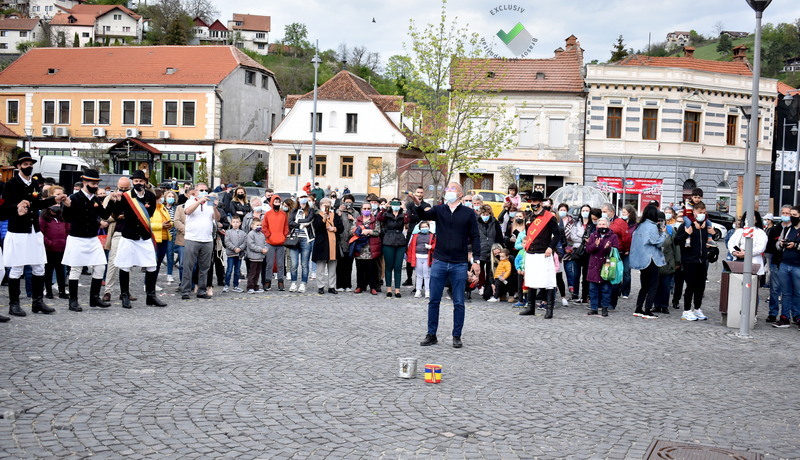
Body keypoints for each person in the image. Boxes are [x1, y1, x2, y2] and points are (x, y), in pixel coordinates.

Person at [411, 182, 481, 348]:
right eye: (448, 188)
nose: (449, 191)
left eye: (453, 189)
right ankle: (431, 334)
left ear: (460, 194)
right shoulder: (439, 209)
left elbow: (475, 237)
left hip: (459, 263)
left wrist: (476, 260)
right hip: (440, 261)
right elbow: (423, 215)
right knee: (434, 300)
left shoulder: (468, 213)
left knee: (459, 302)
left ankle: (456, 335)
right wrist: (418, 204)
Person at [3, 150, 67, 316]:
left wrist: (53, 200)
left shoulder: (34, 184)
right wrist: (16, 209)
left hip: (34, 230)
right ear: (18, 166)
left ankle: (37, 302)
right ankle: (14, 304)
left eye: (30, 164)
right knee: (17, 268)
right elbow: (4, 209)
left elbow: (37, 203)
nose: (29, 167)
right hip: (18, 231)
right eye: (25, 164)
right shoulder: (11, 184)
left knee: (39, 266)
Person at [106, 170, 166, 308]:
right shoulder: (126, 196)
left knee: (151, 265)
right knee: (125, 266)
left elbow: (149, 214)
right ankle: (125, 295)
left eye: (141, 181)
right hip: (129, 236)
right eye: (136, 181)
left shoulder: (150, 196)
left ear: (145, 182)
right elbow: (115, 213)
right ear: (133, 182)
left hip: (144, 236)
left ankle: (151, 296)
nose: (138, 183)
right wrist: (116, 200)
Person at [61, 169, 115, 311]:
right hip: (77, 238)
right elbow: (66, 218)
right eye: (92, 183)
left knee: (100, 266)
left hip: (92, 238)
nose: (95, 186)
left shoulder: (95, 199)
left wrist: (112, 201)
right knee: (76, 269)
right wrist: (66, 206)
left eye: (97, 184)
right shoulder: (74, 197)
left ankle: (94, 298)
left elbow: (104, 214)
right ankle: (73, 301)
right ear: (84, 182)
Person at [518, 191, 560, 318]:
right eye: (531, 201)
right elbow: (528, 234)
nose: (533, 203)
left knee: (548, 281)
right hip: (531, 252)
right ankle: (531, 307)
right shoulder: (529, 217)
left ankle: (549, 310)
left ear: (541, 202)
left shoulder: (549, 217)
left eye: (535, 201)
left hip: (544, 253)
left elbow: (557, 235)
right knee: (531, 280)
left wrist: (550, 247)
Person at [674, 201, 716, 321]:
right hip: (689, 260)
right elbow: (676, 241)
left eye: (704, 212)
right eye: (699, 212)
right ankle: (687, 310)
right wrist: (686, 233)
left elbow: (709, 242)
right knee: (690, 286)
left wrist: (712, 235)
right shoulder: (687, 225)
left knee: (701, 286)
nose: (702, 214)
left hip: (702, 260)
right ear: (694, 212)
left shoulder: (706, 226)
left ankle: (697, 308)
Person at [179, 182, 219, 301]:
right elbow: (187, 211)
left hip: (207, 239)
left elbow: (217, 218)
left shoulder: (209, 204)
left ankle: (202, 290)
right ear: (195, 191)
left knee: (205, 267)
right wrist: (199, 201)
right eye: (201, 190)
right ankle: (185, 290)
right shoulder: (190, 201)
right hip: (192, 238)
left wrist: (215, 207)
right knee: (188, 266)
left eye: (206, 190)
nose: (204, 192)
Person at [629, 205, 666, 319]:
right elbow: (657, 243)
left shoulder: (639, 226)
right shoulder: (652, 226)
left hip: (642, 260)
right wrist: (663, 233)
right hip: (651, 259)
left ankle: (638, 308)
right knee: (653, 285)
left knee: (644, 286)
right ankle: (647, 310)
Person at [586, 217, 619, 316]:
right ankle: (594, 308)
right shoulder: (593, 235)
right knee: (593, 289)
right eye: (600, 224)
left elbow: (616, 250)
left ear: (608, 225)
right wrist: (595, 245)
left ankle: (605, 307)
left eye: (603, 224)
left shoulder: (613, 236)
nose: (601, 226)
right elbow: (588, 249)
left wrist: (608, 248)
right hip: (594, 265)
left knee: (606, 289)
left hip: (606, 265)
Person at [40, 187, 69, 300]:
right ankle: (48, 291)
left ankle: (62, 291)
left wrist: (65, 242)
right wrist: (49, 243)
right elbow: (41, 233)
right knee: (48, 271)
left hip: (61, 248)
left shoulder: (63, 216)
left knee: (61, 271)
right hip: (49, 249)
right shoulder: (43, 217)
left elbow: (68, 229)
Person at [764, 205, 792, 322]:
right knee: (774, 289)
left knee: (788, 291)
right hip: (776, 262)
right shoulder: (775, 229)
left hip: (790, 262)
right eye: (783, 213)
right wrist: (778, 246)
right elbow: (769, 247)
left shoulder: (794, 229)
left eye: (787, 213)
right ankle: (773, 313)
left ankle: (788, 314)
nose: (785, 215)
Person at [774, 205, 800, 328]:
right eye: (791, 215)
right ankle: (784, 317)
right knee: (785, 293)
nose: (791, 217)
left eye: (794, 215)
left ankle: (797, 316)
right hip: (785, 264)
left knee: (798, 293)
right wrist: (781, 244)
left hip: (798, 266)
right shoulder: (787, 229)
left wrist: (795, 245)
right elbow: (778, 244)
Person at [311, 197, 343, 294]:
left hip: (333, 244)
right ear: (321, 206)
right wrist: (323, 219)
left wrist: (335, 229)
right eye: (324, 205)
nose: (326, 207)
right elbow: (317, 228)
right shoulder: (317, 216)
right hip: (322, 245)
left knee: (332, 268)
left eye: (328, 205)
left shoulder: (335, 215)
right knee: (320, 268)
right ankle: (320, 286)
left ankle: (331, 286)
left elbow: (341, 228)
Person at [603, 203, 632, 310]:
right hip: (604, 252)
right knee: (605, 275)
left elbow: (626, 237)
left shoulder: (620, 222)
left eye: (605, 211)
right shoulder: (603, 221)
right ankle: (604, 300)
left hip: (616, 253)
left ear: (611, 212)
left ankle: (612, 302)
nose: (603, 213)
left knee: (613, 276)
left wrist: (626, 249)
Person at [350, 201, 382, 294]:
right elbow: (351, 231)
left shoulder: (375, 220)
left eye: (368, 208)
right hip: (359, 248)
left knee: (372, 269)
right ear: (361, 209)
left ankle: (373, 287)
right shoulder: (357, 220)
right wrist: (358, 231)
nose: (366, 210)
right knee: (360, 269)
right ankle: (360, 286)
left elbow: (378, 232)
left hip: (371, 248)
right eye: (364, 208)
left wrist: (369, 231)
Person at [380, 198, 409, 298]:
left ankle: (397, 289)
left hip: (400, 241)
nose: (396, 205)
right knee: (389, 266)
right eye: (394, 203)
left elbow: (407, 221)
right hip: (388, 240)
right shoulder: (386, 214)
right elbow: (379, 218)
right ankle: (389, 288)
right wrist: (385, 207)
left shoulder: (402, 215)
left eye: (397, 203)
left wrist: (404, 209)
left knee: (398, 266)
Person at [288, 192, 315, 293]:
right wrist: (300, 225)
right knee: (294, 264)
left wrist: (297, 221)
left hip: (306, 239)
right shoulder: (294, 210)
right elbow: (290, 222)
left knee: (304, 264)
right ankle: (293, 282)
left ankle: (303, 283)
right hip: (294, 239)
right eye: (301, 197)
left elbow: (309, 220)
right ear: (298, 199)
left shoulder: (310, 210)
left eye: (305, 197)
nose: (303, 199)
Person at [654, 211, 680, 314]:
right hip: (656, 262)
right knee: (656, 285)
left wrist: (677, 261)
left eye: (661, 221)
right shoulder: (652, 230)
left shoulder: (670, 230)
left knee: (666, 286)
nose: (659, 223)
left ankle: (664, 306)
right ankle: (656, 305)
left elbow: (676, 246)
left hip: (668, 262)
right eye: (657, 221)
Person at [476, 204, 503, 301]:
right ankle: (479, 286)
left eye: (487, 214)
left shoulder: (494, 222)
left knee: (490, 273)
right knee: (478, 271)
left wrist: (498, 249)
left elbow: (499, 237)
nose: (485, 216)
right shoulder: (476, 223)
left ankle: (489, 291)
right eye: (483, 214)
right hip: (480, 250)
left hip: (492, 251)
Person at [262, 195, 288, 291]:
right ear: (272, 202)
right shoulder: (268, 214)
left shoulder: (283, 214)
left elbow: (286, 226)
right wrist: (269, 235)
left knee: (280, 264)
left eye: (278, 201)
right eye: (275, 201)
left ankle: (280, 281)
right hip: (270, 242)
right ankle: (268, 281)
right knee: (269, 264)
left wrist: (284, 235)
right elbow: (264, 226)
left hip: (281, 242)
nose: (277, 203)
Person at [403, 187, 428, 287]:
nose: (419, 194)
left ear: (423, 194)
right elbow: (410, 217)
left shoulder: (426, 205)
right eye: (418, 192)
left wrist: (416, 215)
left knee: (422, 255)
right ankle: (409, 278)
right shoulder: (409, 204)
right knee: (409, 254)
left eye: (421, 192)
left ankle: (421, 281)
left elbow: (425, 217)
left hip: (423, 234)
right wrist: (418, 216)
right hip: (411, 232)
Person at [149, 188, 173, 289]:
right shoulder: (150, 208)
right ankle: (149, 284)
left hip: (165, 238)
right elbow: (148, 224)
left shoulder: (163, 208)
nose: (163, 198)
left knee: (158, 263)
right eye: (162, 196)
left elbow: (169, 220)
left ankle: (153, 283)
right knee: (153, 263)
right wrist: (160, 225)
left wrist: (170, 224)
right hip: (155, 239)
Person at [569, 204, 593, 303]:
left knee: (586, 275)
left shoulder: (592, 224)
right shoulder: (576, 223)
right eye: (583, 210)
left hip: (588, 251)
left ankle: (585, 295)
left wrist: (586, 240)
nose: (585, 212)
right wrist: (583, 239)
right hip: (577, 251)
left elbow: (592, 238)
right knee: (576, 274)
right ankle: (575, 294)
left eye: (587, 210)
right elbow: (573, 236)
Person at [336, 194, 359, 292]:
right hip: (341, 240)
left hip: (351, 241)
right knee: (340, 264)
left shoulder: (356, 213)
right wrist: (340, 211)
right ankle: (339, 285)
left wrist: (353, 219)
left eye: (350, 202)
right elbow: (335, 221)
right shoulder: (340, 211)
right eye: (346, 202)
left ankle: (348, 285)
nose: (348, 204)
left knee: (349, 265)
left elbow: (359, 224)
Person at [407, 221, 435, 298]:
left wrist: (431, 247)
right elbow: (411, 247)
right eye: (422, 227)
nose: (424, 228)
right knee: (418, 275)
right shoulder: (415, 236)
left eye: (426, 226)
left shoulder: (432, 235)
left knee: (427, 275)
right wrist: (410, 258)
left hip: (427, 257)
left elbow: (436, 244)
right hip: (418, 257)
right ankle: (418, 290)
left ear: (429, 227)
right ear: (419, 228)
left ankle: (427, 291)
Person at [223, 215, 246, 293]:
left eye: (237, 222)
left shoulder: (243, 233)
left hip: (239, 255)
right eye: (234, 222)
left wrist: (240, 248)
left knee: (237, 271)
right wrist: (234, 248)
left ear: (240, 223)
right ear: (231, 223)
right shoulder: (228, 232)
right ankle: (226, 285)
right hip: (231, 254)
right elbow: (227, 242)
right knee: (229, 270)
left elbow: (245, 242)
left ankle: (236, 286)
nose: (235, 224)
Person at [619, 205, 638, 299]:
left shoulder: (635, 225)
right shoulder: (619, 223)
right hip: (619, 250)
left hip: (629, 251)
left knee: (626, 272)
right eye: (622, 212)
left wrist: (629, 250)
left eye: (624, 213)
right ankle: (617, 290)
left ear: (630, 214)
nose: (623, 214)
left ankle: (625, 291)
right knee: (618, 271)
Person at [245, 220, 268, 293]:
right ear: (252, 226)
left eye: (260, 225)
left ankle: (255, 286)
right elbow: (251, 245)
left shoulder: (262, 234)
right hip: (253, 257)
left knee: (257, 273)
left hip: (260, 257)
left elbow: (265, 243)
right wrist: (261, 249)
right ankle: (250, 287)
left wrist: (265, 249)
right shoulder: (251, 234)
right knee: (252, 273)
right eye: (257, 225)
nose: (259, 226)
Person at [163, 190, 181, 284]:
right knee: (160, 255)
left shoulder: (176, 208)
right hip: (163, 233)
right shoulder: (161, 208)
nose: (171, 198)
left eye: (172, 197)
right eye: (169, 196)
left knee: (170, 255)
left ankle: (169, 274)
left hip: (173, 234)